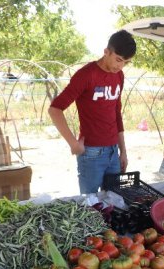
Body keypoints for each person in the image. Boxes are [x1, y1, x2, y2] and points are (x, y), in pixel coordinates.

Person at [48, 30, 136, 194]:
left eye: (126, 62)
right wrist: (73, 143)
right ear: (106, 52)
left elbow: (116, 113)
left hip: (113, 151)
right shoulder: (86, 75)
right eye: (118, 60)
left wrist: (122, 151)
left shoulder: (119, 76)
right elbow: (55, 109)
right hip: (91, 153)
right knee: (90, 206)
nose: (121, 66)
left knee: (115, 204)